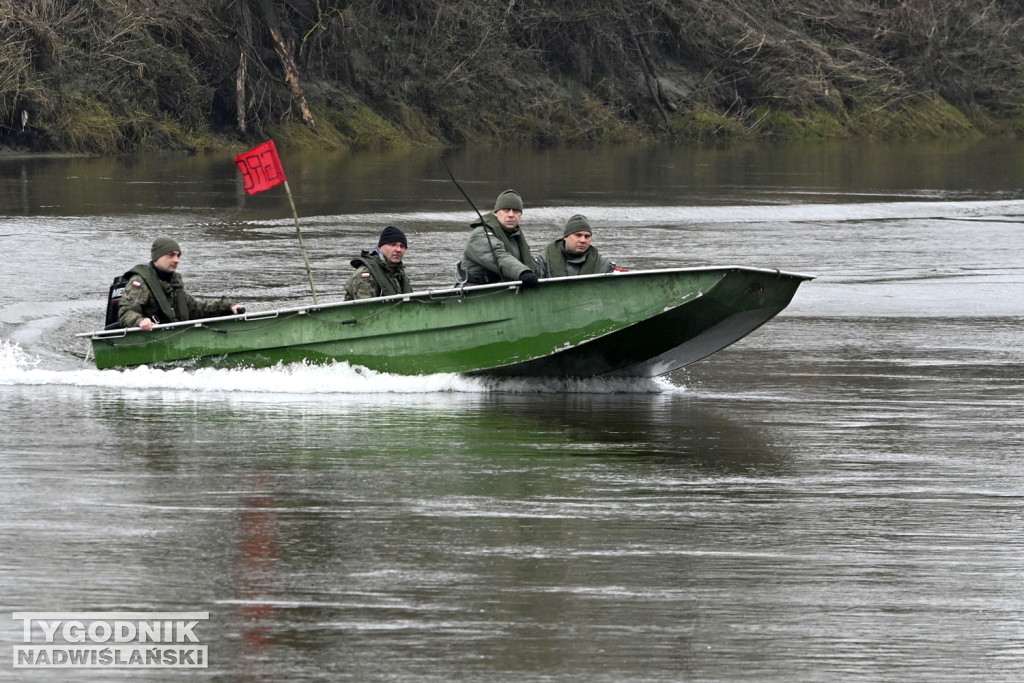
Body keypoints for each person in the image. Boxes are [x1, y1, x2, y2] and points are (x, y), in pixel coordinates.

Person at [117, 236, 243, 331]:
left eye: (178, 256)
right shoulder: (140, 282)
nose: (176, 260)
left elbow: (196, 309)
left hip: (174, 335)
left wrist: (228, 306)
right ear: (157, 257)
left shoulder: (174, 283)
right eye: (171, 255)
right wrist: (140, 321)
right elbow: (126, 312)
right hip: (150, 338)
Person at [460, 189, 540, 288]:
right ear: (496, 213)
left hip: (501, 290)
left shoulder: (514, 237)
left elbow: (534, 266)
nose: (511, 215)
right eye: (506, 210)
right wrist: (523, 273)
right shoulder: (480, 235)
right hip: (474, 291)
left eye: (516, 211)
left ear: (521, 215)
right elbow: (498, 257)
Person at [535, 214, 620, 277]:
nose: (583, 240)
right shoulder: (543, 261)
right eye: (578, 235)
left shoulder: (603, 264)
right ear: (566, 237)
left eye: (587, 236)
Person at [344, 226, 413, 300]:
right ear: (381, 247)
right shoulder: (365, 274)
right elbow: (365, 308)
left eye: (402, 246)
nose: (398, 250)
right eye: (393, 245)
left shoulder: (397, 272)